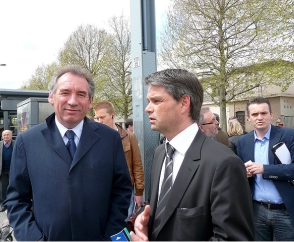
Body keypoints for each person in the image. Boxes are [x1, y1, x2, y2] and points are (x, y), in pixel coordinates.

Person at [4, 65, 132, 241]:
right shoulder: (27, 142)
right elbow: (16, 200)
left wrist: (110, 236)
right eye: (65, 92)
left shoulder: (109, 139)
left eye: (81, 94)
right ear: (51, 96)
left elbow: (122, 191)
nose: (73, 101)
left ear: (90, 101)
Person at [131, 69, 254, 241]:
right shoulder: (160, 153)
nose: (147, 108)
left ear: (184, 103)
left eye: (156, 101)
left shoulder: (224, 163)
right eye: (148, 101)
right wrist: (145, 221)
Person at [237, 97, 294, 241]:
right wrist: (244, 173)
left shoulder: (288, 135)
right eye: (255, 114)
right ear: (248, 118)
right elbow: (240, 173)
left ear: (271, 115)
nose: (260, 117)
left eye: (263, 113)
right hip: (257, 210)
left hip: (285, 209)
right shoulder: (243, 142)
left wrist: (265, 169)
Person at [94, 101, 144, 219]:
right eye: (97, 118)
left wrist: (139, 192)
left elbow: (137, 165)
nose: (100, 121)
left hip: (124, 190)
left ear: (113, 115)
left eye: (102, 117)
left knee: (123, 225)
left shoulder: (129, 137)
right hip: (102, 190)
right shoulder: (94, 138)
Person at [0, 130, 15, 212]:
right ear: (2, 136)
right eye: (4, 135)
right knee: (2, 189)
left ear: (11, 136)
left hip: (13, 170)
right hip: (2, 170)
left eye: (7, 135)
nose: (6, 136)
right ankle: (3, 205)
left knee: (14, 188)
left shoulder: (15, 143)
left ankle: (13, 204)